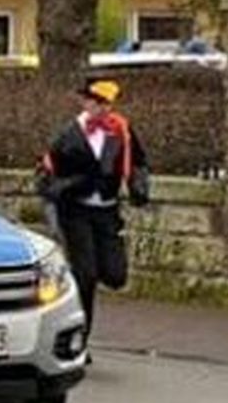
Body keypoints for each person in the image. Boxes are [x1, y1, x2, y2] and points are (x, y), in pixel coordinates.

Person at [37, 79, 151, 327]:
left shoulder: (121, 130)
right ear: (85, 102)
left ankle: (77, 271)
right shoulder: (67, 136)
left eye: (106, 103)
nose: (102, 108)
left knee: (116, 275)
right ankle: (80, 336)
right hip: (76, 211)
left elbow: (138, 162)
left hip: (107, 211)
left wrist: (139, 188)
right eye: (97, 102)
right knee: (86, 276)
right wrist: (71, 186)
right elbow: (46, 178)